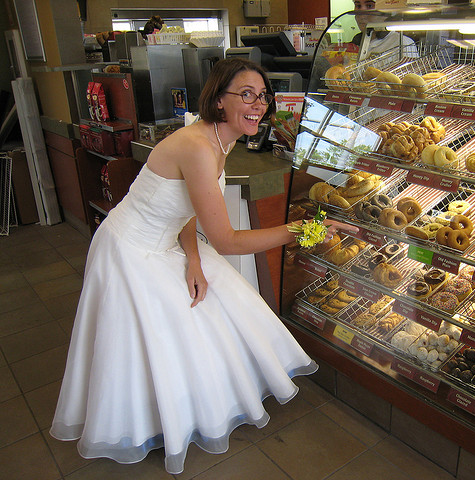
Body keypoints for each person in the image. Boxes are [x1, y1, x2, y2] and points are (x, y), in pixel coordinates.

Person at [50, 58, 357, 474]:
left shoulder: (221, 139)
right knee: (141, 339)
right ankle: (143, 422)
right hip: (130, 247)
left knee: (200, 310)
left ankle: (182, 409)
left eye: (262, 96)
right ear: (218, 100)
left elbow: (187, 207)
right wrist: (302, 230)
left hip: (165, 241)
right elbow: (227, 241)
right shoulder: (197, 146)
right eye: (245, 94)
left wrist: (194, 259)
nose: (258, 105)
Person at [351, 0, 419, 59]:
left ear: (386, 13)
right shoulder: (353, 46)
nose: (362, 15)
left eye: (369, 6)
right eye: (358, 6)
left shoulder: (402, 43)